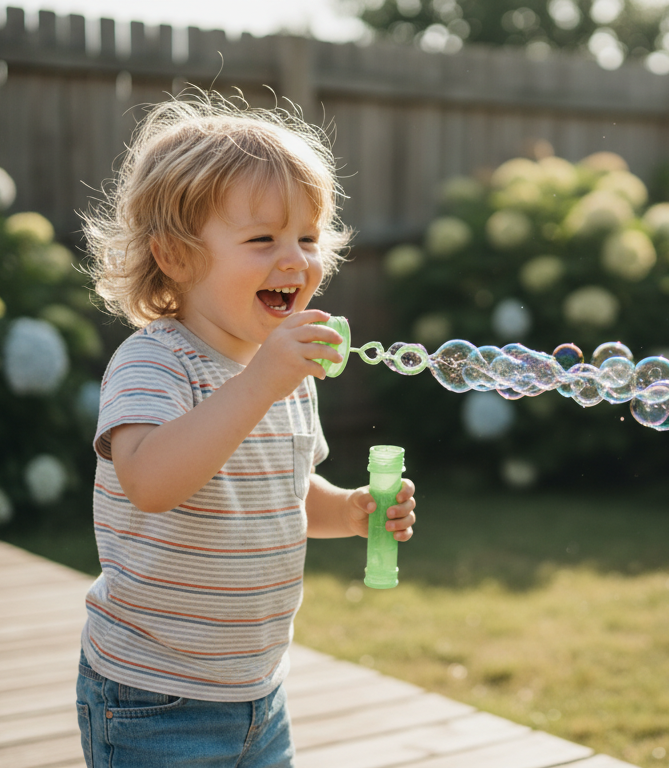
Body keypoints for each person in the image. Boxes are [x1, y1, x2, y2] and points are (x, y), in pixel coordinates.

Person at [75, 92, 416, 768]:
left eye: (309, 239)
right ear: (174, 255)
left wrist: (347, 510)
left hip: (258, 694)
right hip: (154, 699)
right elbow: (149, 480)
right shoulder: (155, 362)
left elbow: (283, 488)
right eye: (263, 240)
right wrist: (261, 382)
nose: (294, 260)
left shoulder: (284, 373)